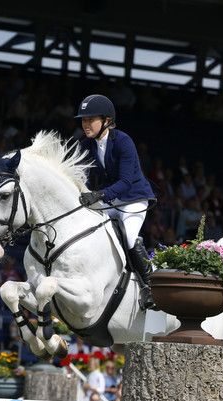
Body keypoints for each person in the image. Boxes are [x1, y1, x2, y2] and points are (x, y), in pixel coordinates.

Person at [75, 94, 156, 309]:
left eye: (90, 119)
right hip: (113, 199)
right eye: (83, 120)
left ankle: (150, 287)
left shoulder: (122, 141)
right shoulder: (87, 145)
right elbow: (79, 172)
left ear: (106, 121)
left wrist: (99, 195)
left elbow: (126, 182)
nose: (85, 124)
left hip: (133, 199)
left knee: (129, 238)